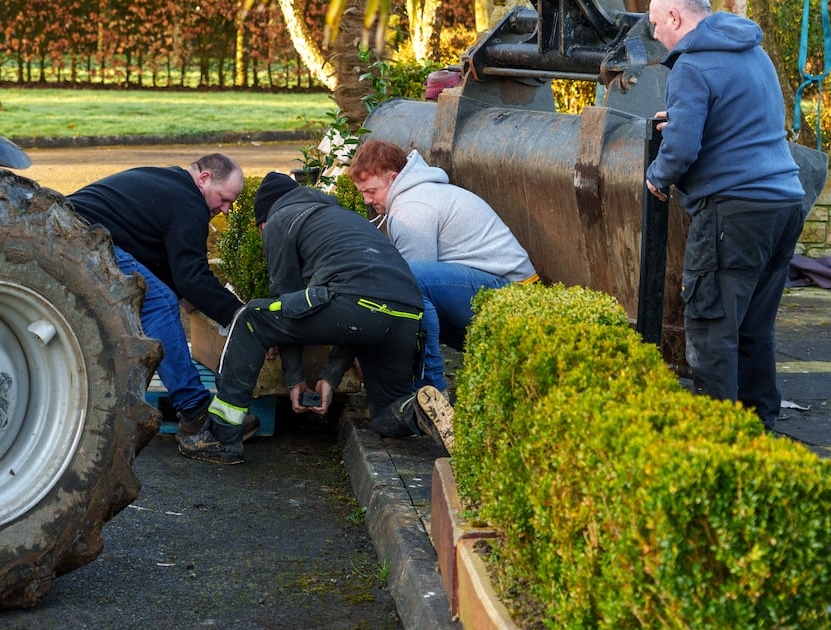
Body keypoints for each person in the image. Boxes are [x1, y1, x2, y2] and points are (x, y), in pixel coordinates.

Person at [177, 172, 455, 465]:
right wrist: (329, 378)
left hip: (355, 302)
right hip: (407, 311)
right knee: (386, 416)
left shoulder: (280, 220)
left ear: (263, 220)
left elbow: (287, 297)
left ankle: (221, 437)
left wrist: (295, 379)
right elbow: (355, 320)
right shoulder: (345, 219)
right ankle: (418, 410)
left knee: (251, 318)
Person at [645, 0, 807, 430]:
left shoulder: (692, 66)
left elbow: (680, 151)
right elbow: (739, 122)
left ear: (675, 18)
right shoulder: (753, 51)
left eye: (656, 25)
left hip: (734, 210)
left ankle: (719, 443)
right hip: (784, 203)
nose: (656, 36)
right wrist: (680, 119)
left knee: (712, 331)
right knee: (755, 329)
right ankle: (759, 434)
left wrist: (657, 177)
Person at [67, 154, 258, 438]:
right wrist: (240, 316)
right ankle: (195, 410)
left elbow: (152, 249)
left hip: (66, 229)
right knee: (159, 303)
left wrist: (186, 292)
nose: (226, 209)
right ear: (204, 179)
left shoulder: (172, 184)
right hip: (82, 236)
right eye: (223, 199)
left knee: (163, 297)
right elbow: (192, 278)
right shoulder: (190, 203)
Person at [347, 139, 537, 393]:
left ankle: (431, 389)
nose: (367, 200)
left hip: (510, 292)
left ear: (393, 178)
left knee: (407, 287)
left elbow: (407, 293)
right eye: (362, 193)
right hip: (499, 286)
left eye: (371, 191)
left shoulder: (412, 208)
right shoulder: (418, 194)